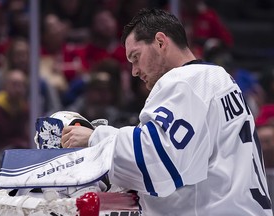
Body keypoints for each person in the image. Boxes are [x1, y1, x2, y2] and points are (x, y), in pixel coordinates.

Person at [61, 8, 272, 215]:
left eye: (136, 57)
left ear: (161, 42)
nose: (134, 71)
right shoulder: (220, 79)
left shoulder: (184, 81)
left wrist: (96, 138)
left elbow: (159, 163)